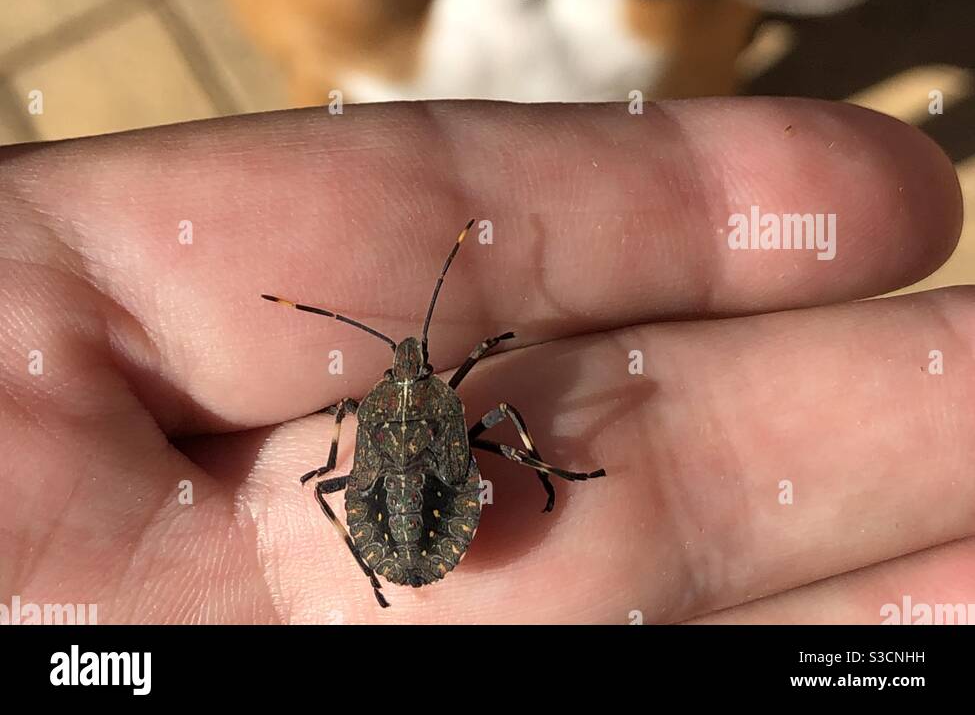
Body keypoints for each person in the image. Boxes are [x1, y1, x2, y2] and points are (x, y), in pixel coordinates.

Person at [0, 97, 970, 624]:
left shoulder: (371, 413)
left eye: (416, 373)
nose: (416, 371)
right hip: (433, 496)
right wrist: (542, 461)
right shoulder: (437, 407)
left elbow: (347, 454)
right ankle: (523, 489)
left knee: (341, 485)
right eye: (411, 375)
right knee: (480, 440)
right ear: (405, 394)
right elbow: (483, 424)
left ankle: (387, 573)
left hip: (394, 517)